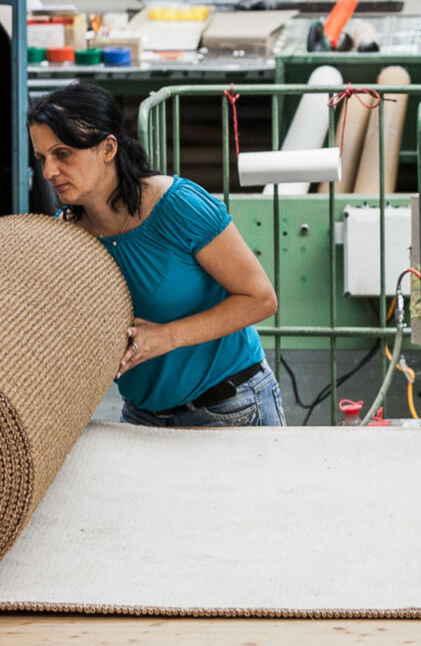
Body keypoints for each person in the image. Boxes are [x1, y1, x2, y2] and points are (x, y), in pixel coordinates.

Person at [27, 82, 285, 427]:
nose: (49, 172)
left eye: (63, 154)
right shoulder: (68, 234)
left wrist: (167, 336)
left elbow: (261, 299)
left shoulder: (179, 205)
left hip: (231, 406)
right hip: (142, 418)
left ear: (108, 148)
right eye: (42, 159)